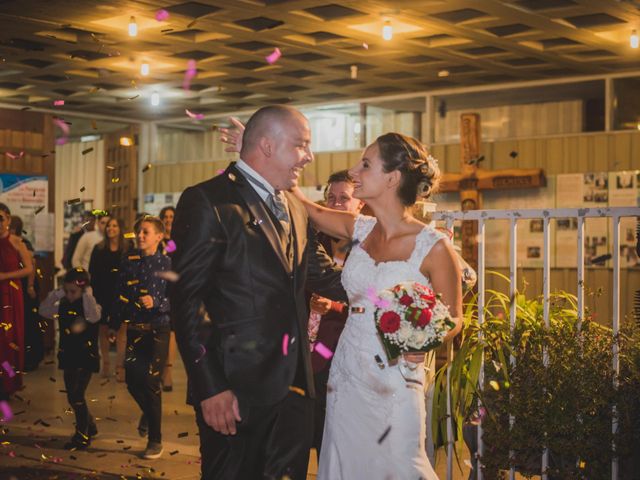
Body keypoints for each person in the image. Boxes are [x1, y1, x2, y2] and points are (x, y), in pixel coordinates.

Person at [172, 105, 346, 480]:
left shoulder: (295, 209)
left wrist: (405, 278)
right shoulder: (208, 201)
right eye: (301, 145)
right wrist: (211, 387)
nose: (309, 157)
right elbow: (187, 301)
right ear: (267, 145)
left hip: (296, 392)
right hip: (235, 393)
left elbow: (326, 277)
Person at [291, 132, 463, 479]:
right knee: (344, 460)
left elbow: (455, 318)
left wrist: (425, 341)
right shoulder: (360, 228)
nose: (354, 172)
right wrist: (274, 162)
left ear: (392, 178)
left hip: (396, 375)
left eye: (365, 164)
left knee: (398, 463)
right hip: (347, 369)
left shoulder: (434, 247)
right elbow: (306, 209)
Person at [306, 170, 363, 455]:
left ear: (359, 204)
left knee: (342, 427)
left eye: (344, 198)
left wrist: (335, 307)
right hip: (312, 351)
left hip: (349, 351)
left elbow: (374, 298)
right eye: (331, 197)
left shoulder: (368, 247)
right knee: (313, 421)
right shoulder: (314, 240)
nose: (337, 204)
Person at [110, 216, 171, 460]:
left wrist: (157, 302)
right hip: (135, 328)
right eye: (138, 232)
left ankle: (155, 440)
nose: (140, 236)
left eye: (146, 232)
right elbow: (120, 293)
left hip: (158, 328)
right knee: (133, 381)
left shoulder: (168, 264)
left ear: (159, 236)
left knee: (150, 382)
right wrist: (114, 324)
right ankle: (149, 411)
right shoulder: (128, 262)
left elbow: (177, 298)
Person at [39, 267, 101, 449]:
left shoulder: (89, 304)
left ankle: (82, 435)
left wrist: (87, 293)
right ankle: (90, 425)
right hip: (69, 355)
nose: (69, 295)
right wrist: (58, 293)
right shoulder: (63, 302)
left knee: (77, 395)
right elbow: (44, 311)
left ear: (83, 290)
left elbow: (94, 316)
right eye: (66, 291)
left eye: (73, 291)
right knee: (72, 397)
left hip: (86, 357)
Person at [89, 217, 128, 380]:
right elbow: (92, 272)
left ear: (120, 229)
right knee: (103, 328)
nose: (111, 228)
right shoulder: (98, 249)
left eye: (114, 225)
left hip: (122, 294)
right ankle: (105, 363)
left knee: (121, 330)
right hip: (103, 293)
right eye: (108, 226)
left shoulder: (127, 249)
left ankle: (120, 366)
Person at [0, 203, 33, 394]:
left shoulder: (16, 242)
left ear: (8, 220)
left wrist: (5, 276)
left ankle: (9, 382)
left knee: (9, 338)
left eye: (1, 219)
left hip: (11, 293)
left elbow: (29, 269)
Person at [10, 215, 43, 371]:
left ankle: (31, 358)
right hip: (17, 285)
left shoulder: (22, 243)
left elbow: (32, 264)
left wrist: (30, 286)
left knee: (28, 321)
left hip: (25, 285)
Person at [158, 206, 176, 392]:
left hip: (174, 288)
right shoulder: (157, 240)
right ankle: (159, 367)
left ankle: (168, 371)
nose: (169, 219)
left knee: (172, 330)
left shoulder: (180, 238)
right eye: (166, 217)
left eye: (172, 216)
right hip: (158, 288)